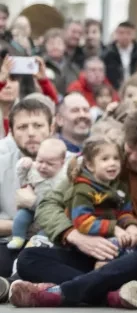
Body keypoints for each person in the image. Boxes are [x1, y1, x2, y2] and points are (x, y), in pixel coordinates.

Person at [11, 105, 137, 308]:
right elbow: (49, 203)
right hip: (102, 252)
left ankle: (63, 292)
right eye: (129, 147)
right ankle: (114, 296)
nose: (131, 158)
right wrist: (74, 236)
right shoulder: (107, 156)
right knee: (29, 258)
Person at [0, 98, 60, 268]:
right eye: (22, 127)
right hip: (8, 242)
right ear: (11, 131)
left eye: (38, 125)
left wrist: (34, 203)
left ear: (52, 128)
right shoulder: (1, 164)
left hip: (54, 243)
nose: (31, 133)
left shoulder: (71, 165)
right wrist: (21, 226)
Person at [65, 137, 137, 248]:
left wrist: (131, 225)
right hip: (83, 239)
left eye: (116, 158)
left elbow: (123, 212)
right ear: (90, 165)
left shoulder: (120, 187)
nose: (112, 163)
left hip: (107, 234)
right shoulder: (83, 189)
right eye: (105, 159)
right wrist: (114, 229)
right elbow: (82, 221)